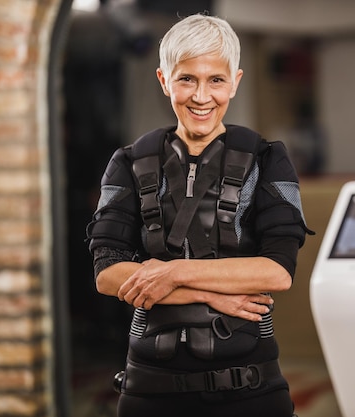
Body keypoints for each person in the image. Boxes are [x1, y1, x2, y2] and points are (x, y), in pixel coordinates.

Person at [86, 13, 314, 417]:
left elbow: (277, 271)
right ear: (163, 80)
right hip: (149, 386)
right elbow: (107, 272)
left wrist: (171, 273)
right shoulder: (126, 162)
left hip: (251, 384)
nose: (201, 96)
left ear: (236, 81)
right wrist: (210, 294)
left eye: (216, 80)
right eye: (187, 79)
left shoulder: (269, 159)